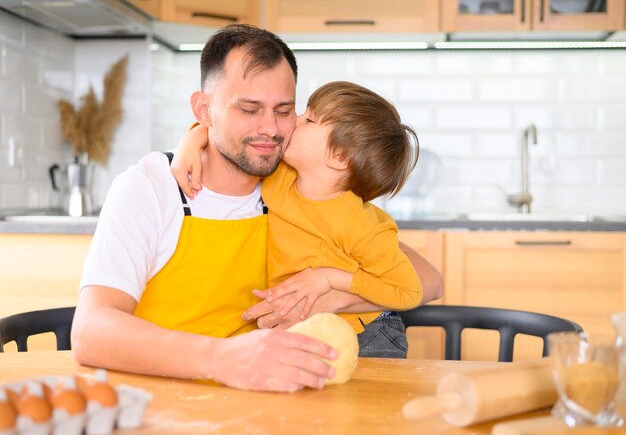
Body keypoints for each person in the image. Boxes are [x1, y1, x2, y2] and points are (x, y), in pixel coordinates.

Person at [71, 24, 443, 392]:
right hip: (163, 399)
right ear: (204, 109)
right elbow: (91, 333)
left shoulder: (294, 184)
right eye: (249, 109)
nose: (271, 129)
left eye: (284, 110)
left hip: (268, 398)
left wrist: (332, 294)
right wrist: (222, 358)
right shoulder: (151, 188)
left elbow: (428, 282)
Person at [172, 80, 424, 358]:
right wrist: (192, 140)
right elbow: (233, 144)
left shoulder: (360, 225)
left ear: (339, 156)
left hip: (369, 334)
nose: (294, 121)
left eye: (310, 119)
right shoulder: (279, 177)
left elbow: (408, 291)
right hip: (313, 333)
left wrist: (330, 279)